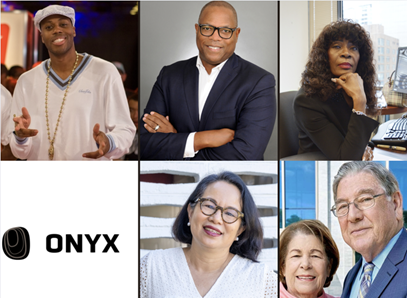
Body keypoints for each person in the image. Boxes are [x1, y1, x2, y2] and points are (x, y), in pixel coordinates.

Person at [140, 1, 276, 160]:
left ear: (236, 34)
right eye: (207, 28)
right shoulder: (169, 76)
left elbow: (245, 155)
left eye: (225, 30)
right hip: (176, 179)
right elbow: (144, 144)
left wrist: (177, 140)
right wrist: (200, 140)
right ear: (197, 29)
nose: (215, 37)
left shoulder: (259, 82)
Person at [140, 172, 277, 298]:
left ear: (240, 229)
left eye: (230, 213)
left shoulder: (261, 280)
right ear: (190, 211)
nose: (216, 218)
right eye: (209, 205)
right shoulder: (152, 267)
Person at [9, 5, 136, 160]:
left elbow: (125, 130)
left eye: (63, 24)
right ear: (42, 36)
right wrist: (20, 137)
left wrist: (109, 142)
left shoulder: (105, 72)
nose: (57, 30)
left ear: (74, 30)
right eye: (49, 27)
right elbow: (19, 152)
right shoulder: (26, 81)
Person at [331, 162, 407, 298]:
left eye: (365, 199)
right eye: (343, 206)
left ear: (395, 203)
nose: (353, 216)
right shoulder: (353, 276)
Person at [294, 20, 379, 160]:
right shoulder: (306, 101)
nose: (346, 53)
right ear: (324, 55)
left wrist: (367, 146)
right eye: (337, 46)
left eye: (354, 48)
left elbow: (354, 137)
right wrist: (360, 101)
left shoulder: (348, 89)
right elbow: (348, 158)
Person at [279, 220, 340, 298]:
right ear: (283, 267)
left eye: (315, 256)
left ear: (329, 267)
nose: (306, 264)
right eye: (296, 256)